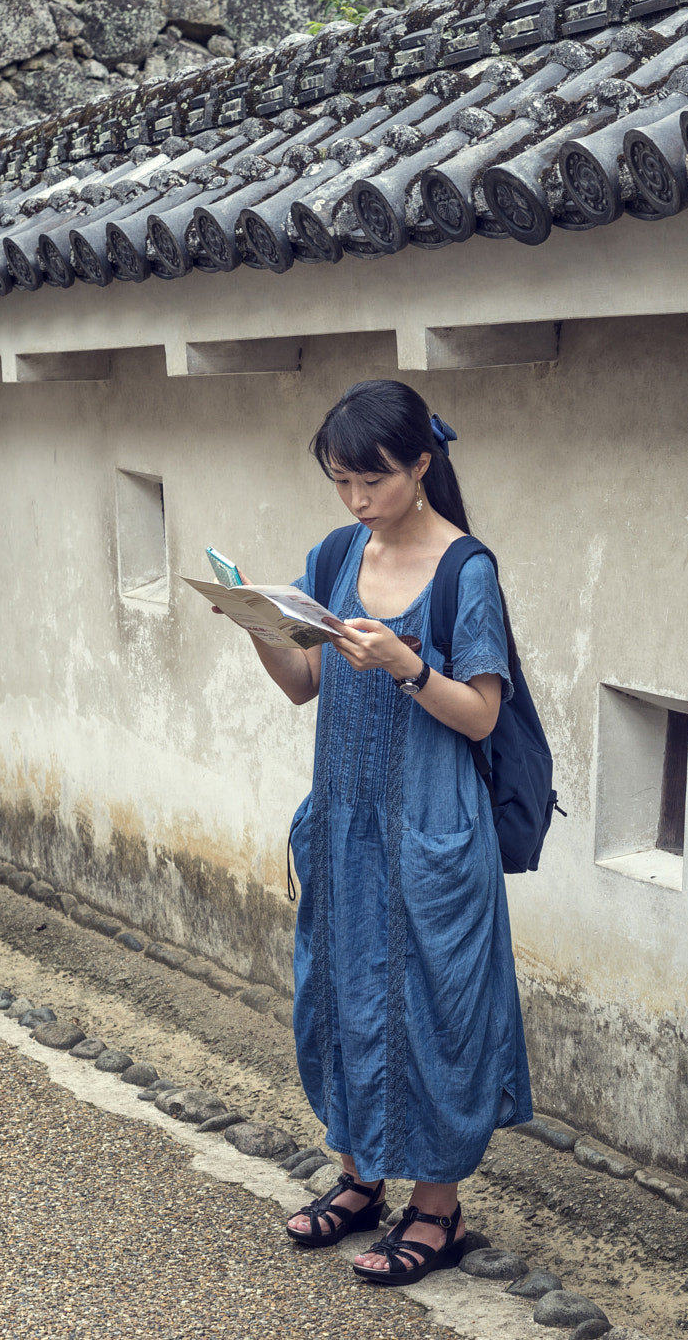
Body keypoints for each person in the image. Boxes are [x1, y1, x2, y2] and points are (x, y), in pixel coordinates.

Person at [219, 380, 534, 1285]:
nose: (358, 500)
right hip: (345, 830)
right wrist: (253, 625)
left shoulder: (467, 571)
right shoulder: (335, 552)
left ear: (423, 464)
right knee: (341, 1001)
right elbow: (303, 684)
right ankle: (359, 1180)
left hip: (434, 833)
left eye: (374, 479)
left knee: (433, 1013)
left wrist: (404, 664)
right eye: (342, 481)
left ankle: (437, 1210)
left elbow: (478, 715)